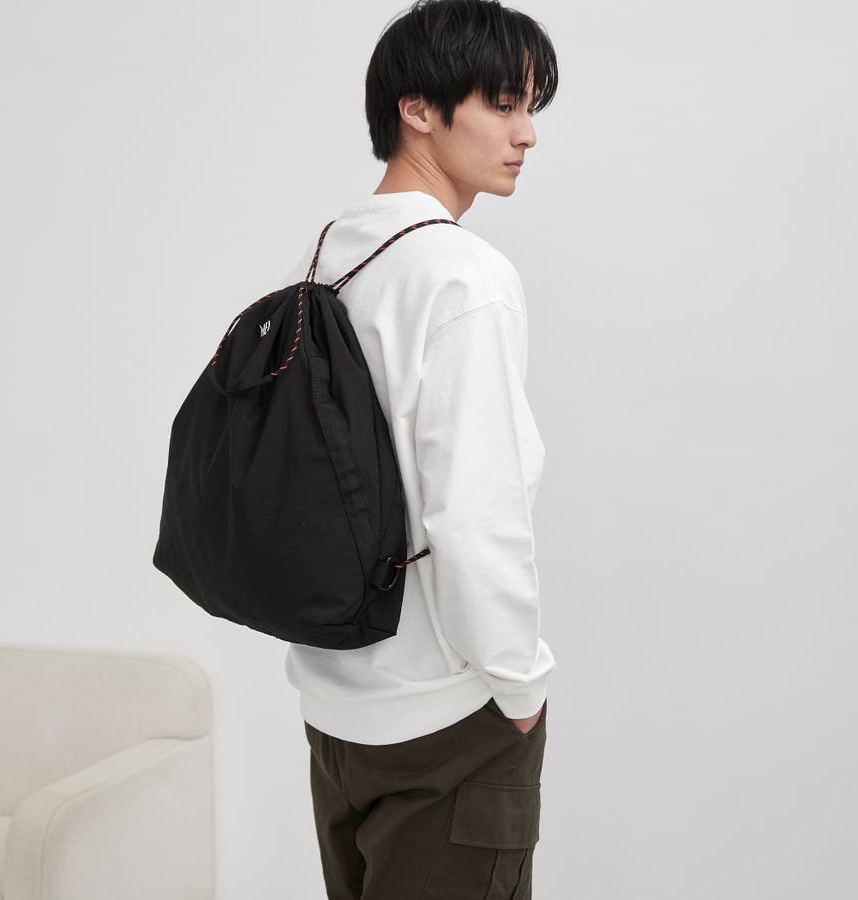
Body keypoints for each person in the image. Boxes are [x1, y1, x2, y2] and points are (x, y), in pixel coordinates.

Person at [274, 1, 560, 896]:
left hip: (337, 706)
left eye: (530, 107)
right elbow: (473, 510)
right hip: (447, 721)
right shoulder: (463, 275)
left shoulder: (333, 252)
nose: (526, 133)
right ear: (418, 109)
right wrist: (519, 686)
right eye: (503, 104)